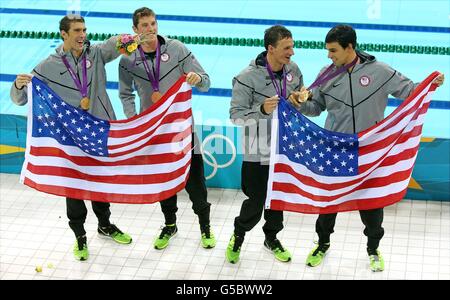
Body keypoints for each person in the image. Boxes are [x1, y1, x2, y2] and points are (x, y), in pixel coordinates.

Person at [290, 24, 445, 272]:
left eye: (333, 50)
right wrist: (299, 104)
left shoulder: (380, 71)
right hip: (336, 150)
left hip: (369, 151)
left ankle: (373, 249)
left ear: (349, 47)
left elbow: (409, 91)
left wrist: (430, 83)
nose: (329, 56)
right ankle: (322, 244)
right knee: (328, 204)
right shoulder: (325, 75)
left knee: (372, 207)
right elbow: (316, 108)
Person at [10, 15, 133, 261]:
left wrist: (131, 38)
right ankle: (80, 237)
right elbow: (20, 99)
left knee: (100, 184)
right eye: (77, 30)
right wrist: (18, 84)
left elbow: (115, 44)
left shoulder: (95, 54)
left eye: (85, 30)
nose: (82, 35)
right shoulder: (48, 65)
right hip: (71, 137)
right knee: (74, 189)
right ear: (64, 34)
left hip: (98, 129)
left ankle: (105, 225)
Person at [118, 7, 216, 250]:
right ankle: (170, 225)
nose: (150, 29)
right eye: (144, 26)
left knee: (196, 182)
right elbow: (125, 94)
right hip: (154, 132)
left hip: (182, 129)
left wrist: (196, 79)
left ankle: (205, 227)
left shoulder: (177, 49)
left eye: (153, 24)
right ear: (135, 30)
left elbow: (206, 81)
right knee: (163, 181)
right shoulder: (128, 59)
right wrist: (134, 122)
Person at [228, 25, 304, 264]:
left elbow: (301, 97)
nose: (292, 53)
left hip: (284, 150)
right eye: (286, 48)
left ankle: (271, 238)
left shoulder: (293, 70)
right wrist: (261, 110)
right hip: (257, 152)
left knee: (278, 200)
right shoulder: (246, 77)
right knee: (256, 201)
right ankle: (238, 236)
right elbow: (236, 116)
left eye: (292, 46)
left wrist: (301, 99)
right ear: (271, 49)